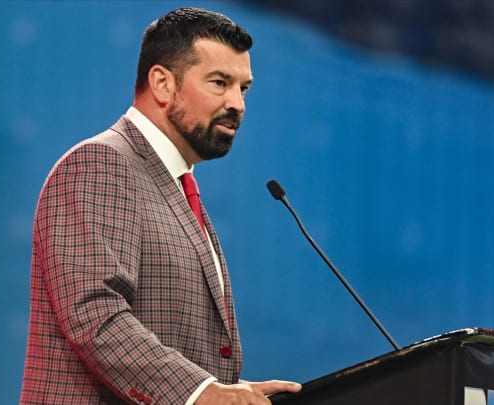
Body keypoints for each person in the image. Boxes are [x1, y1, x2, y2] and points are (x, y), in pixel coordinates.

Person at [20, 7, 301, 404]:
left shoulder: (176, 185)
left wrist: (228, 392)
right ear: (162, 84)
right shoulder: (100, 164)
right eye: (220, 83)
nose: (238, 104)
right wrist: (202, 393)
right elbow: (95, 315)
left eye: (244, 88)